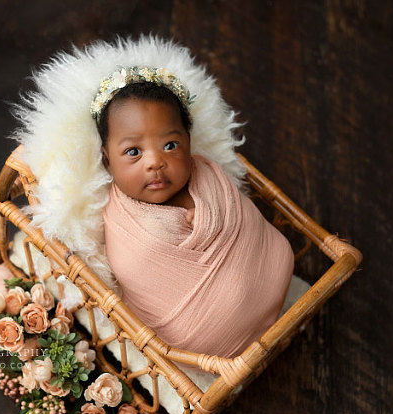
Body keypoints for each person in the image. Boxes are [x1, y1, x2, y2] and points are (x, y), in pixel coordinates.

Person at [97, 68, 294, 358]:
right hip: (198, 342)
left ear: (188, 142)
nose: (155, 162)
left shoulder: (209, 177)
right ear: (107, 160)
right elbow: (135, 267)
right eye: (133, 152)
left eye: (170, 145)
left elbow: (249, 226)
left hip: (272, 280)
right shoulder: (123, 224)